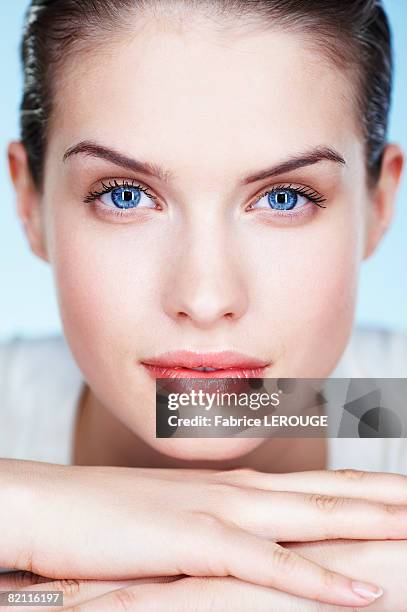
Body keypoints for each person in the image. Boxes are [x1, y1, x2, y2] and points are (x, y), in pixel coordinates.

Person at [1, 0, 407, 609]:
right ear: (30, 204)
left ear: (379, 206)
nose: (205, 298)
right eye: (124, 194)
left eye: (285, 199)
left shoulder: (383, 406)